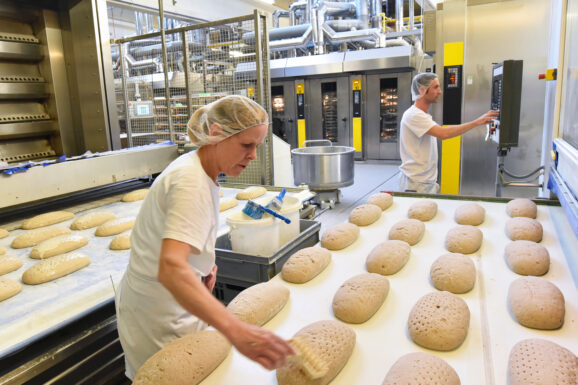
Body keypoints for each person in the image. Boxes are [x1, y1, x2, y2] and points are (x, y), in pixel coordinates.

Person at [115, 95, 294, 380]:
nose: (253, 155)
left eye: (258, 146)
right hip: (160, 314)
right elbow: (171, 269)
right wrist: (237, 331)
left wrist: (199, 272)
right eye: (246, 145)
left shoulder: (200, 169)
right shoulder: (191, 182)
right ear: (215, 135)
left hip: (174, 302)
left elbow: (178, 249)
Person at [398, 72, 499, 193]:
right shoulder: (414, 115)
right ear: (422, 90)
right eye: (436, 87)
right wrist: (477, 122)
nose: (440, 91)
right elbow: (443, 133)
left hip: (424, 181)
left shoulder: (422, 115)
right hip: (416, 183)